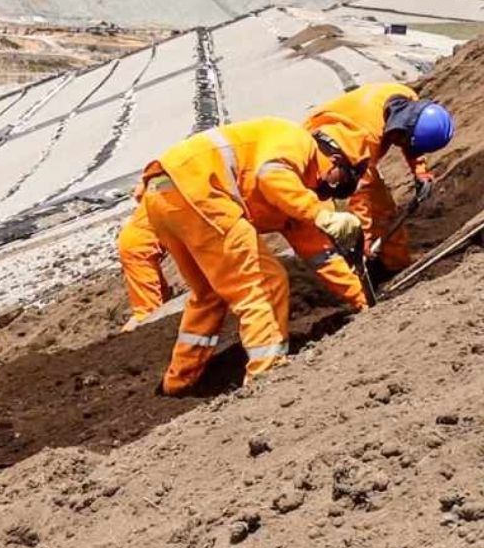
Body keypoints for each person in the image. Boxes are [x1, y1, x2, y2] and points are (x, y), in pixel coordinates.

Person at [140, 116, 371, 396]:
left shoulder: (298, 192)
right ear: (335, 160)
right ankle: (266, 375)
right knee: (263, 282)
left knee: (208, 294)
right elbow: (270, 175)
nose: (335, 190)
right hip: (198, 190)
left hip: (163, 194)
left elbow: (320, 254)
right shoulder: (298, 144)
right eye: (343, 179)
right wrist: (320, 214)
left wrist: (362, 301)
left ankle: (178, 381)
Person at [304, 83, 454, 278]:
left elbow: (412, 138)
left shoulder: (406, 100)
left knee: (384, 212)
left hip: (350, 149)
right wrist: (361, 241)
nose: (401, 145)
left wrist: (420, 170)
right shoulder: (368, 137)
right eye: (402, 141)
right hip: (323, 156)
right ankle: (350, 274)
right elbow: (358, 195)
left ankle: (396, 266)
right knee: (337, 224)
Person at [117, 194, 172, 333]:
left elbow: (139, 193)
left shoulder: (163, 179)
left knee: (162, 297)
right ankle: (124, 343)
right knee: (148, 316)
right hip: (139, 250)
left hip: (138, 240)